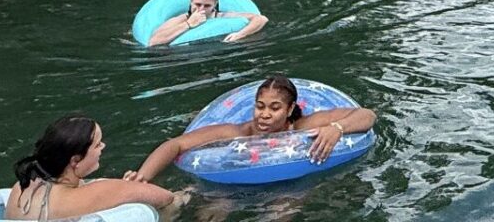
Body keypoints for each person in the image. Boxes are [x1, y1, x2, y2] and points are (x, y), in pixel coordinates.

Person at [125, 75, 377, 181]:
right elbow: (176, 144)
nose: (264, 114)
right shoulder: (239, 132)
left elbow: (367, 115)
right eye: (260, 106)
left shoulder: (303, 126)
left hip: (291, 183)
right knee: (214, 210)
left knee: (283, 207)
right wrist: (142, 177)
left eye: (275, 108)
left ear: (290, 109)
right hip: (230, 184)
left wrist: (337, 128)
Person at [5, 115, 179, 220]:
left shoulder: (21, 187)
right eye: (97, 145)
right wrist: (126, 189)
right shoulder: (99, 191)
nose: (103, 146)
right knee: (180, 198)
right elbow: (166, 197)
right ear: (75, 161)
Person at [147, 0, 268, 46]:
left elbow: (261, 19)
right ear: (191, 2)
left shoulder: (223, 16)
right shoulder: (181, 19)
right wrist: (188, 24)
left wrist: (240, 35)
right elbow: (153, 42)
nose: (201, 9)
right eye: (197, 4)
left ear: (215, 4)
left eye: (207, 6)